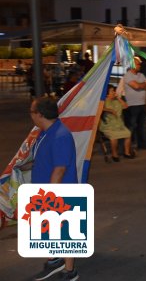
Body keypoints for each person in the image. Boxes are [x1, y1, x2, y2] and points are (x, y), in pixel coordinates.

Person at [29, 97, 79, 281]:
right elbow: (46, 159)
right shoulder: (45, 132)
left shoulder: (60, 135)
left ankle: (70, 271)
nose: (30, 116)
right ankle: (54, 260)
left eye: (32, 112)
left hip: (59, 192)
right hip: (46, 189)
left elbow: (60, 169)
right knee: (49, 229)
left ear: (40, 114)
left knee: (65, 231)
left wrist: (48, 197)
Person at [123, 56, 146, 150]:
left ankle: (141, 143)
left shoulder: (141, 75)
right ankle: (129, 146)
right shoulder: (128, 75)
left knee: (141, 126)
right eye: (138, 64)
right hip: (132, 105)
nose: (140, 65)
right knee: (131, 126)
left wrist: (141, 85)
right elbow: (136, 86)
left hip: (142, 104)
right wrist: (143, 85)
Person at [99, 85, 134, 161]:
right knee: (114, 137)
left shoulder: (116, 100)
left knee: (128, 134)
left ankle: (126, 153)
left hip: (119, 124)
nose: (114, 92)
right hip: (108, 125)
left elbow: (125, 106)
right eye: (112, 91)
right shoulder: (103, 101)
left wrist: (118, 97)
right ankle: (114, 154)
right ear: (107, 93)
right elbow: (98, 109)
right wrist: (109, 110)